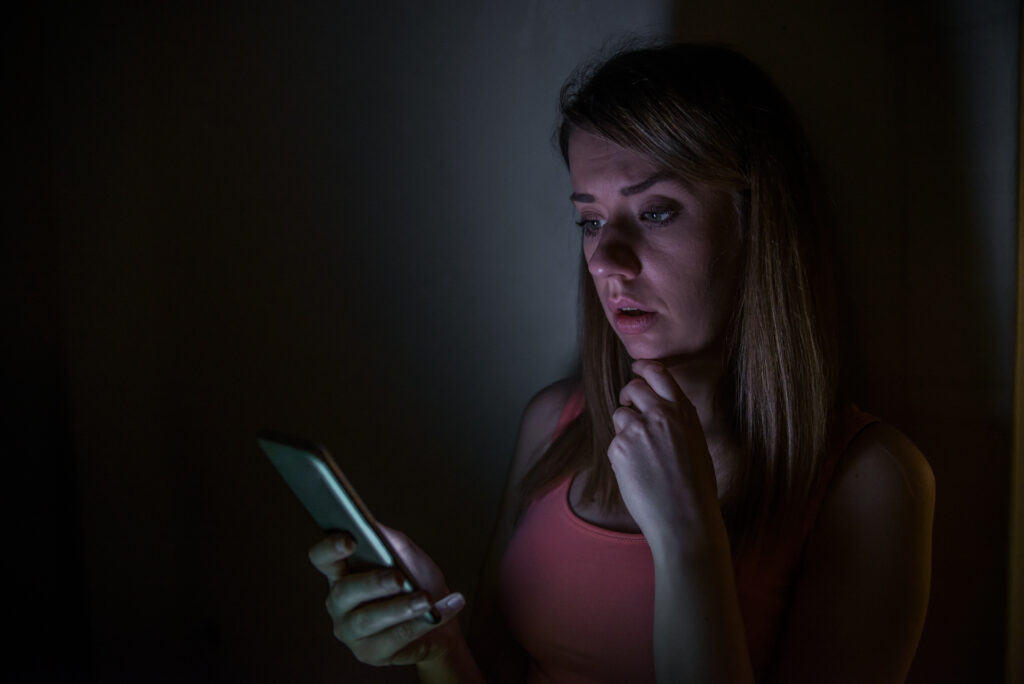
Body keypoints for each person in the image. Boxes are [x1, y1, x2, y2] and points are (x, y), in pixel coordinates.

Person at [307, 42, 935, 683]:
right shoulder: (554, 423)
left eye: (656, 212)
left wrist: (688, 540)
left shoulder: (871, 480)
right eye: (590, 221)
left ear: (757, 225)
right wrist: (439, 647)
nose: (607, 259)